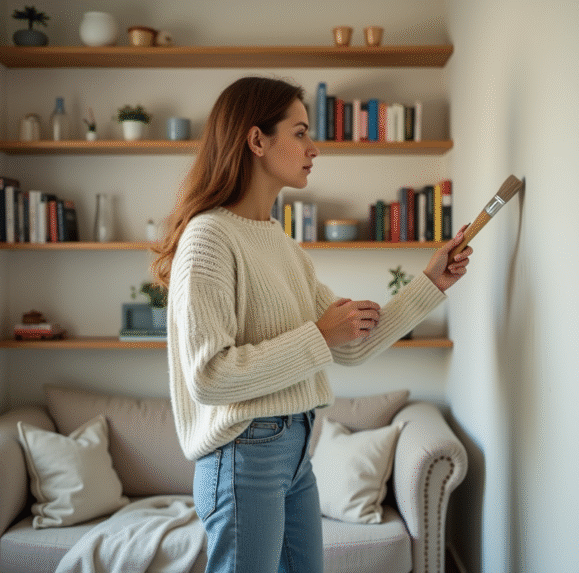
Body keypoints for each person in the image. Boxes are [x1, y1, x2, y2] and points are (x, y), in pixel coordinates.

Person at [150, 76, 472, 573]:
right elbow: (209, 376)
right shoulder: (209, 238)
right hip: (245, 455)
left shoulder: (281, 244)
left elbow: (350, 345)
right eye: (299, 132)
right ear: (257, 140)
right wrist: (319, 335)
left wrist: (430, 283)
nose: (314, 148)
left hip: (296, 447)